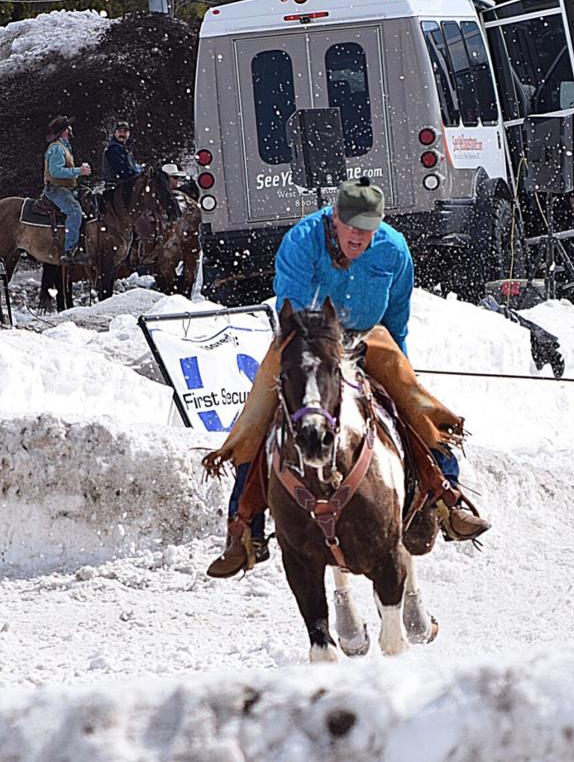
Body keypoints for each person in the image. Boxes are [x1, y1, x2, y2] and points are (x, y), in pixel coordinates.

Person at [204, 177, 490, 577]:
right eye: (352, 227)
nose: (359, 237)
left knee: (414, 402)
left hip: (367, 335)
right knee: (262, 414)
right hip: (307, 337)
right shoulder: (302, 241)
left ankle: (447, 496)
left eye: (368, 229)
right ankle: (243, 527)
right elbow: (295, 314)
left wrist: (401, 375)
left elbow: (397, 320)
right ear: (334, 217)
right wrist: (321, 354)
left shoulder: (393, 251)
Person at [41, 115, 91, 264]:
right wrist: (78, 171)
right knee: (75, 211)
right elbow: (55, 172)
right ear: (64, 131)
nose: (71, 129)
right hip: (56, 189)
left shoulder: (64, 146)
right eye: (68, 127)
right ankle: (70, 251)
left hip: (66, 188)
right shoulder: (57, 148)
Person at [101, 120, 142, 185]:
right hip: (115, 186)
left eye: (125, 131)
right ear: (115, 133)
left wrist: (141, 169)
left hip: (125, 184)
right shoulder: (113, 148)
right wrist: (138, 173)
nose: (122, 134)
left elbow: (131, 167)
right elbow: (123, 170)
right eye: (120, 131)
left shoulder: (124, 148)